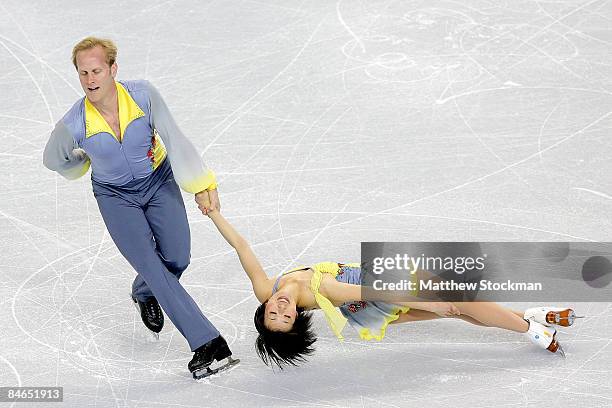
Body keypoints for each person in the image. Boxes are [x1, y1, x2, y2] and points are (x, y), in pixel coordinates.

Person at [43, 36, 236, 379]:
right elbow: (52, 159)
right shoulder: (74, 122)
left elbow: (173, 137)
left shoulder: (143, 95)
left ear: (113, 69)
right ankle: (206, 342)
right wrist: (81, 163)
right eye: (83, 72)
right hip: (115, 197)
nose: (90, 80)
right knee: (150, 262)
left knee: (178, 257)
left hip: (159, 180)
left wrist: (201, 183)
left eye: (97, 70)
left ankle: (144, 290)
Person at [197, 201, 575, 369]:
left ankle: (531, 316)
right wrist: (435, 305)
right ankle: (532, 329)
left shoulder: (267, 289)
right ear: (298, 318)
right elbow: (373, 291)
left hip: (371, 300)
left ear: (263, 310)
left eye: (272, 314)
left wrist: (214, 213)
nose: (279, 307)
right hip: (379, 289)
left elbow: (241, 246)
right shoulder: (321, 291)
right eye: (285, 317)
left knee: (462, 308)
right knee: (459, 300)